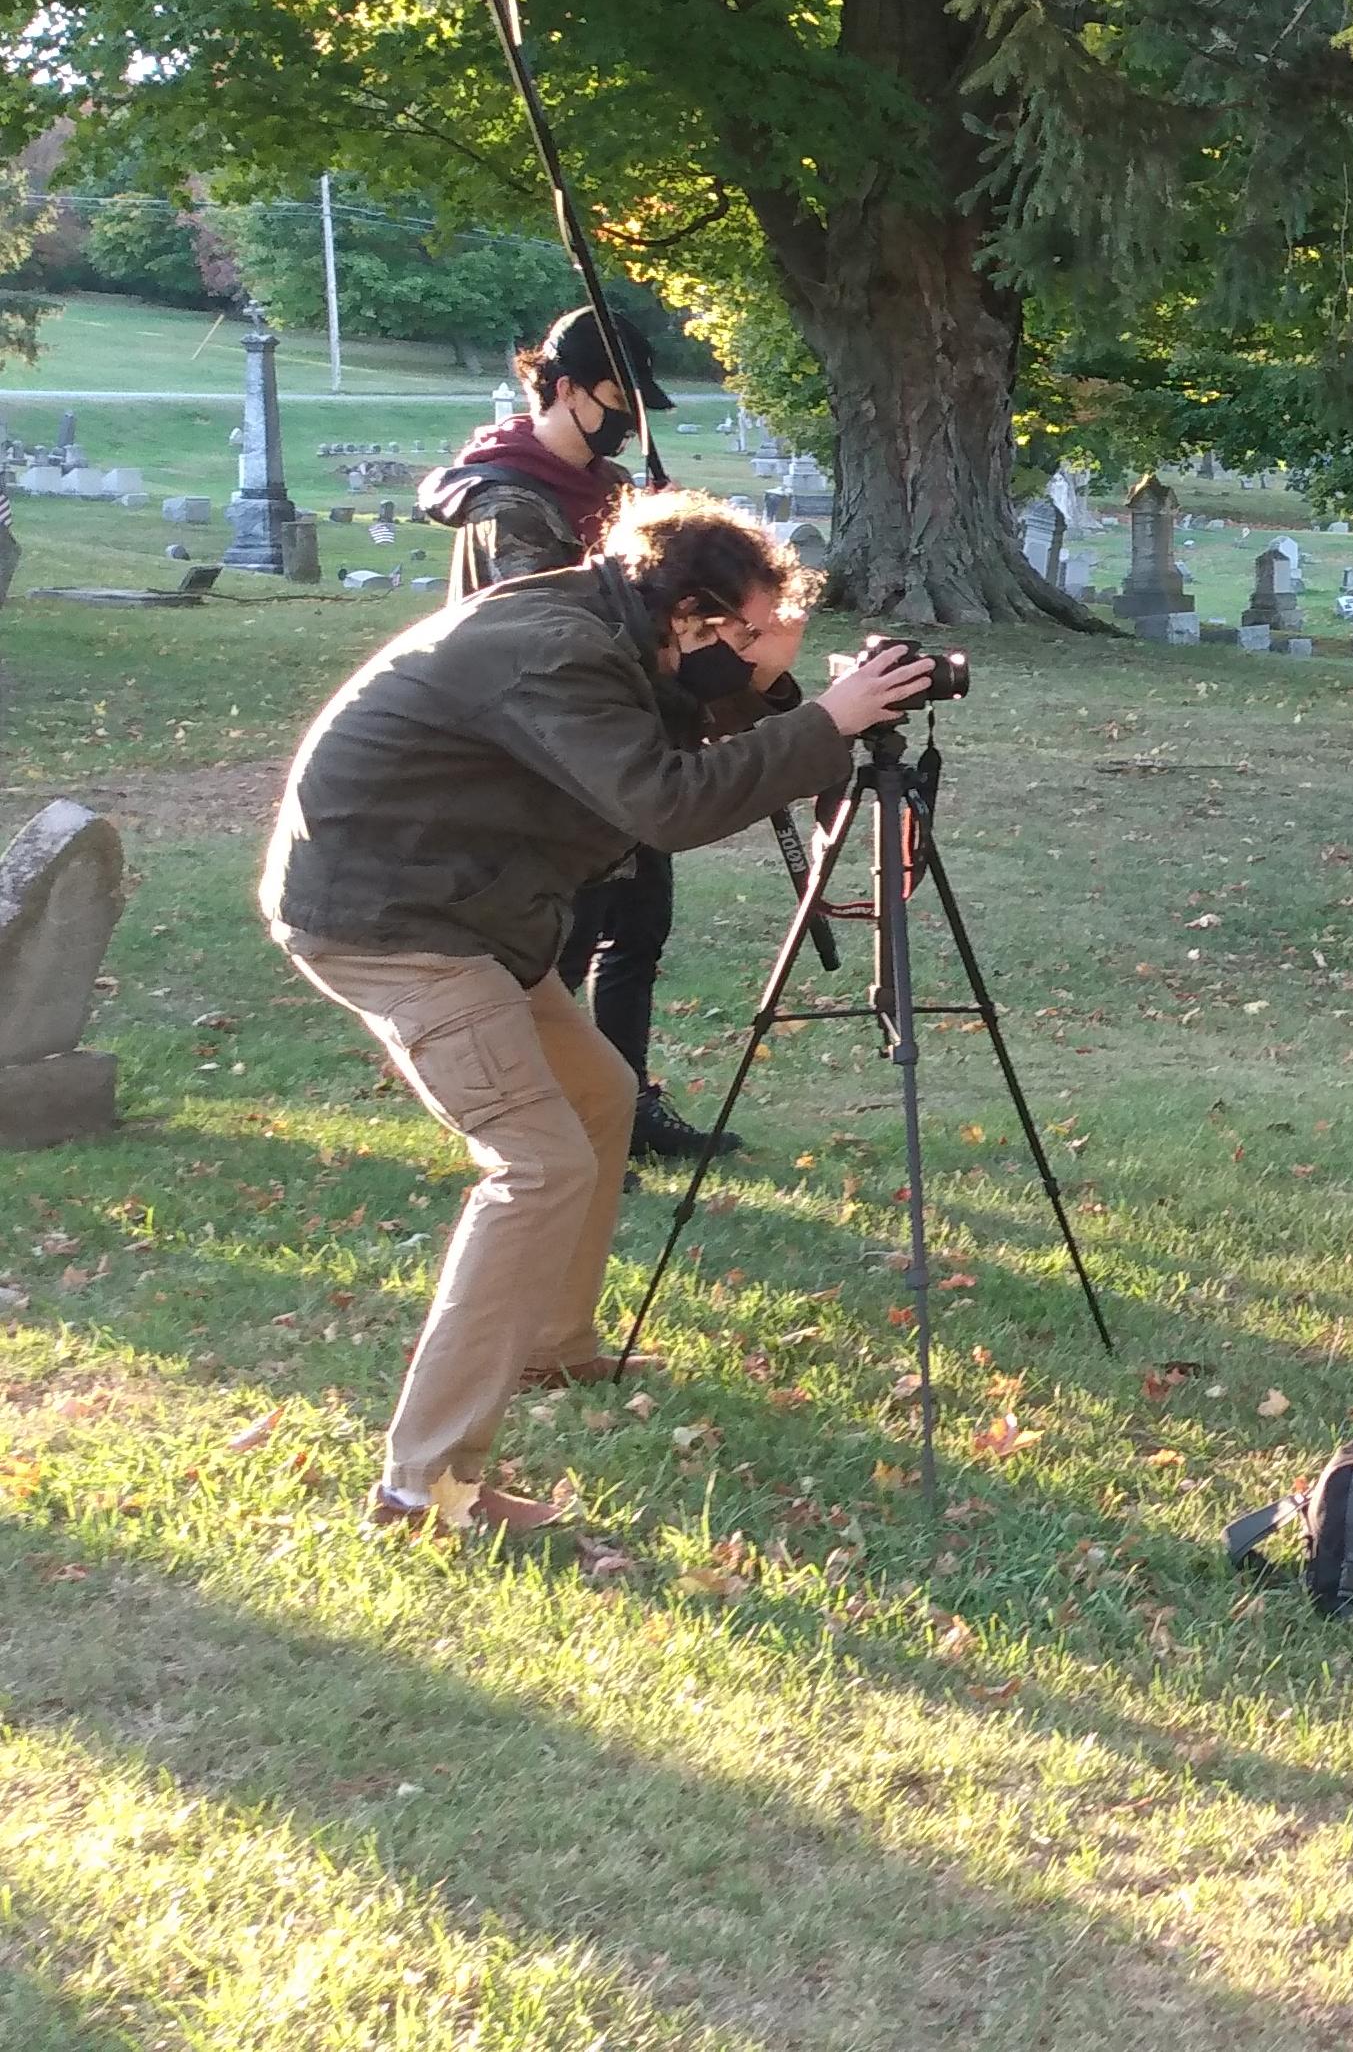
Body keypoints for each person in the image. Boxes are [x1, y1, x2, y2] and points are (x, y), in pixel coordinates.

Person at [259, 493, 937, 1535]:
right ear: (697, 611)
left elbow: (680, 727)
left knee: (599, 1095)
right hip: (392, 917)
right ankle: (422, 1490)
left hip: (467, 906)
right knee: (538, 1163)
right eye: (750, 629)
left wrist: (793, 699)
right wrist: (822, 724)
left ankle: (553, 1344)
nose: (753, 650)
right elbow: (663, 801)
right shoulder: (555, 650)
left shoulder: (615, 630)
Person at [418, 306, 737, 1165]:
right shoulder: (509, 503)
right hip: (550, 758)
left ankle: (625, 1108)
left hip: (630, 742)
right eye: (615, 403)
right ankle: (549, 1127)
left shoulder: (614, 494)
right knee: (558, 949)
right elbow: (557, 637)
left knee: (639, 931)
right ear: (560, 389)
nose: (627, 426)